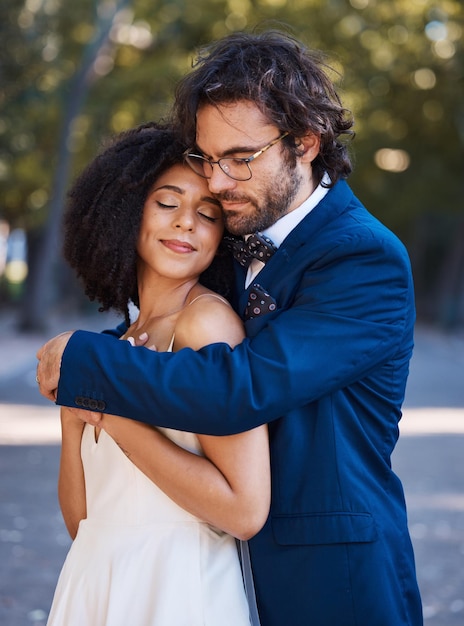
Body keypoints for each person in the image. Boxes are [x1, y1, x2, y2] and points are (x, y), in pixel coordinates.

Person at [37, 30, 423, 626]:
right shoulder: (235, 245)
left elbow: (242, 387)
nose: (216, 183)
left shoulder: (362, 258)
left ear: (306, 142)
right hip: (212, 577)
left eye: (239, 159)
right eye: (206, 159)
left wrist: (91, 369)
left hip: (328, 585)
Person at [45, 122, 270, 626]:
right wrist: (74, 418)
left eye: (207, 213)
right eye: (167, 203)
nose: (186, 223)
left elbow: (244, 510)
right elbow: (85, 523)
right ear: (126, 213)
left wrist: (111, 415)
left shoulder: (207, 323)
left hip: (178, 589)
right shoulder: (120, 342)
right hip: (96, 583)